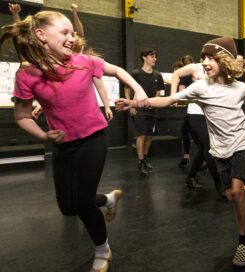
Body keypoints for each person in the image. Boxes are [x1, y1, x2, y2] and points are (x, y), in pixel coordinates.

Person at [116, 37, 245, 266]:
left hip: (240, 146)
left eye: (211, 58)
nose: (206, 62)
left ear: (225, 60)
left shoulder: (240, 88)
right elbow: (169, 100)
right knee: (230, 193)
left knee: (237, 192)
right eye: (203, 58)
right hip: (219, 150)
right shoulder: (200, 87)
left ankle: (244, 242)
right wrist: (135, 104)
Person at [0, 11, 147, 272]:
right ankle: (108, 199)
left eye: (72, 33)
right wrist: (44, 135)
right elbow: (22, 115)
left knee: (81, 202)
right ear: (40, 35)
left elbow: (118, 70)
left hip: (94, 138)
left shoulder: (83, 61)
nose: (72, 38)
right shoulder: (27, 75)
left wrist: (137, 88)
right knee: (67, 207)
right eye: (65, 33)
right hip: (63, 144)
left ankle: (102, 249)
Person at [171, 56, 221, 193]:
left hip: (210, 112)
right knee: (209, 144)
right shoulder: (196, 67)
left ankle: (190, 176)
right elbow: (176, 74)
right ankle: (219, 185)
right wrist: (173, 96)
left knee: (204, 147)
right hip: (195, 112)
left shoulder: (219, 69)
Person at [124, 48, 165, 174]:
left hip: (152, 110)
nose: (154, 59)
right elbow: (127, 89)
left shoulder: (158, 75)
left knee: (150, 136)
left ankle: (145, 158)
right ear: (144, 57)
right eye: (152, 56)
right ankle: (140, 161)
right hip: (139, 109)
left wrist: (156, 105)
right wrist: (130, 106)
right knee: (141, 134)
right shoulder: (135, 73)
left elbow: (159, 93)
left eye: (155, 56)